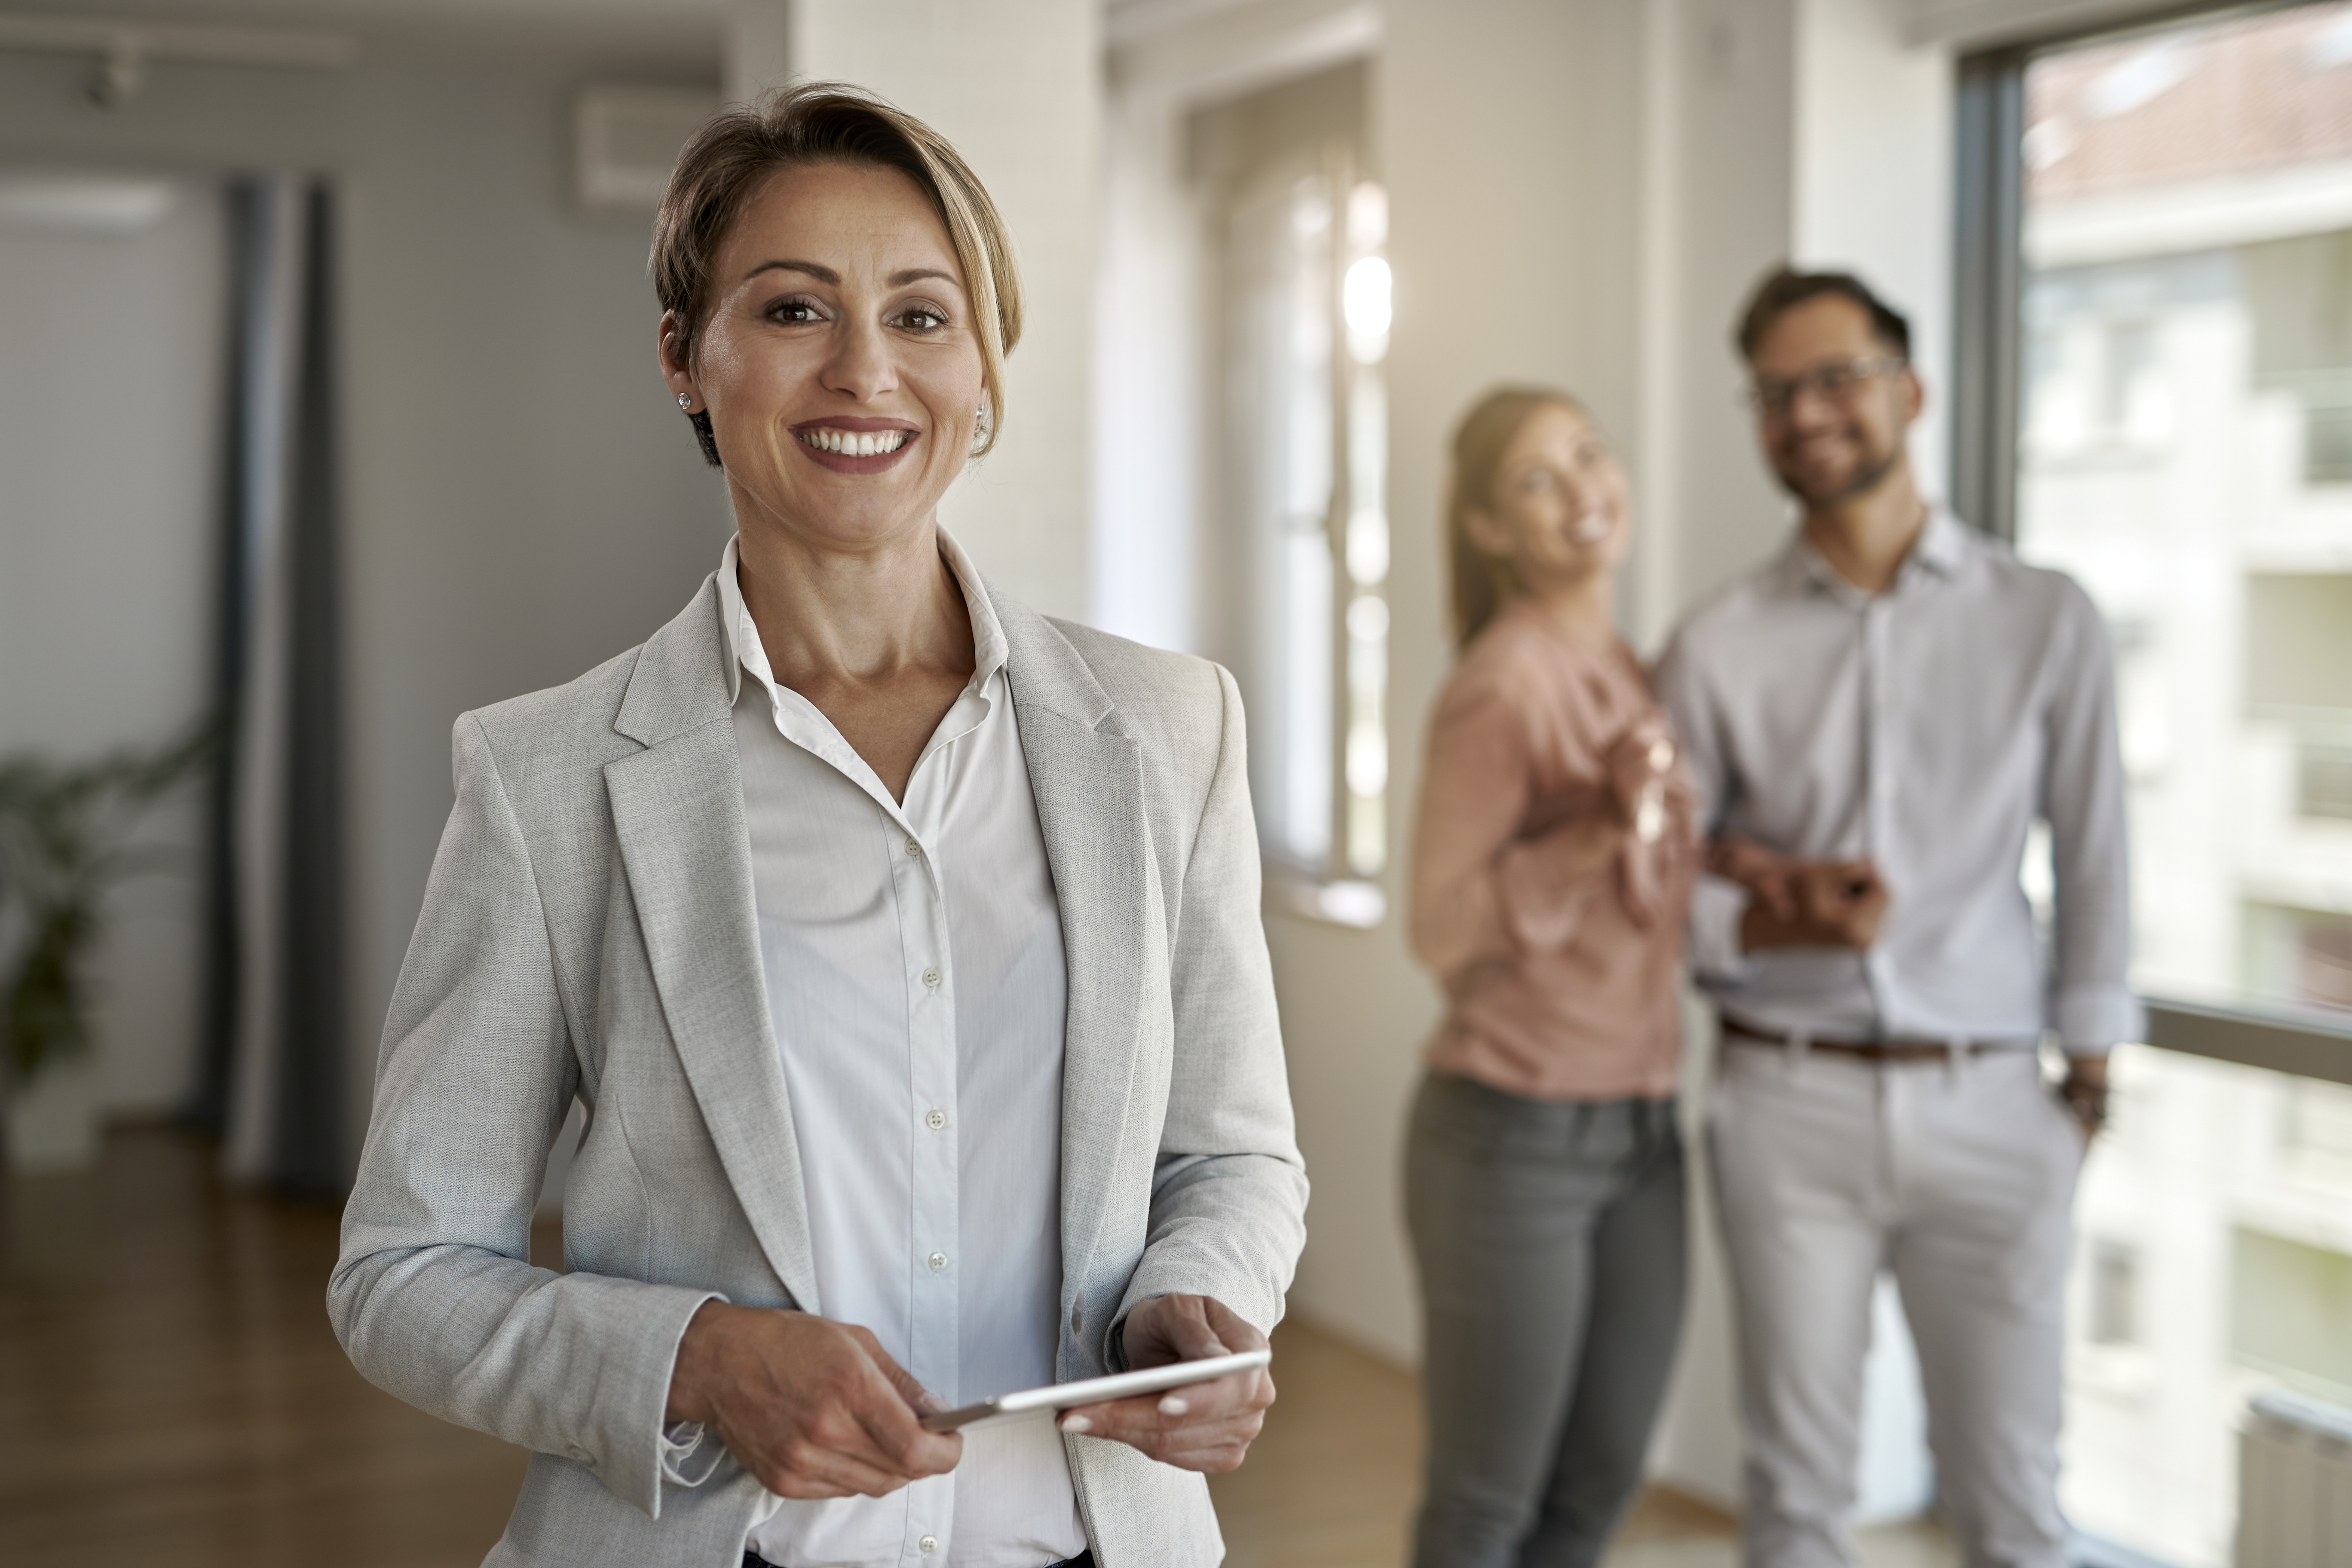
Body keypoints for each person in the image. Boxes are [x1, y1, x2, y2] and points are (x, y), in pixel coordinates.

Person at [328, 84, 1308, 1568]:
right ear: (683, 357)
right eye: (794, 311)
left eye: (923, 317)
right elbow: (401, 1274)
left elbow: (1235, 1158)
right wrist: (697, 1359)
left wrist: (1203, 1300)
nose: (866, 371)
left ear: (984, 372)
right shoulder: (545, 781)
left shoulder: (1170, 733)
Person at [1653, 268, 2134, 1568]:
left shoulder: (2047, 617)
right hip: (1786, 1104)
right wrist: (1779, 930)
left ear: (1909, 391)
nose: (1806, 415)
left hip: (1995, 1104)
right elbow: (1662, 888)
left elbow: (2096, 858)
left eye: (1836, 380)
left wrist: (2080, 1088)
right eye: (1775, 394)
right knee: (1799, 1505)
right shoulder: (1715, 645)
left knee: (2013, 1506)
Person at [1405, 388, 1697, 1568]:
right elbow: (1439, 925)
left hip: (1641, 1126)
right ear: (1488, 529)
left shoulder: (1622, 665)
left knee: (1595, 1493)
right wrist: (1591, 835)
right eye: (1537, 480)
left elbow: (1650, 887)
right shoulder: (1507, 680)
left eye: (1587, 456)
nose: (1582, 490)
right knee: (1489, 1511)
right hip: (1512, 1132)